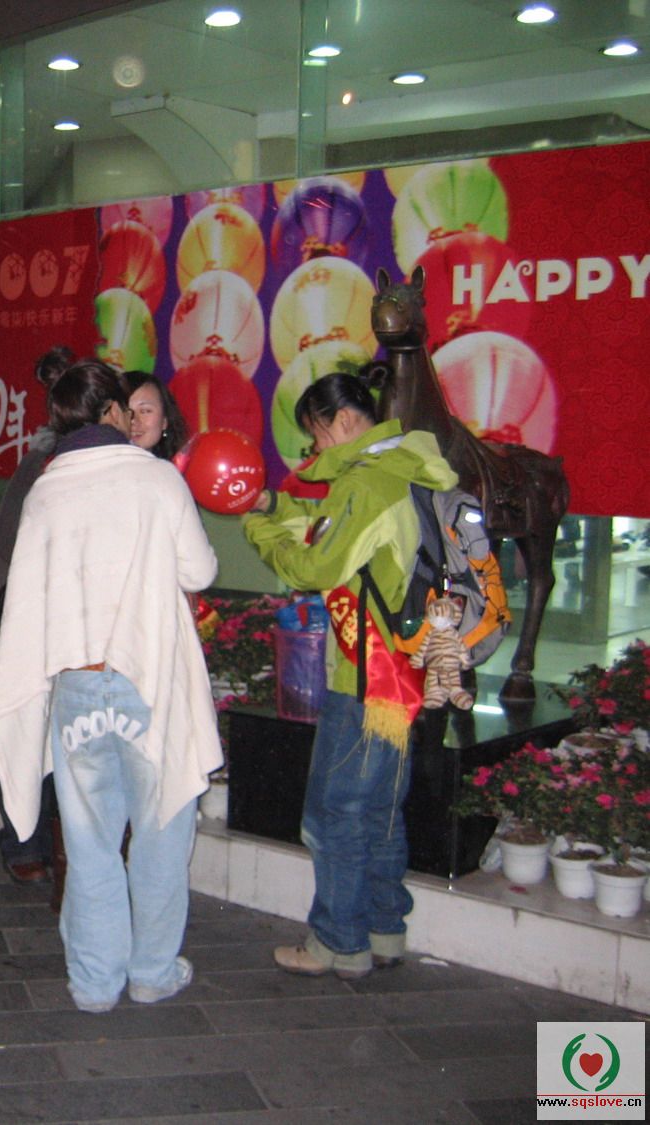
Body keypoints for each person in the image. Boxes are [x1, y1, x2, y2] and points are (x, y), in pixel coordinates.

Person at [0, 359, 222, 1013]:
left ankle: (93, 983)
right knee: (162, 835)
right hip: (149, 683)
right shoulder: (156, 479)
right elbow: (199, 571)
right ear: (112, 411)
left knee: (88, 845)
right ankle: (151, 971)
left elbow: (27, 595)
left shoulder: (47, 489)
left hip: (78, 687)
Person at [242, 371, 457, 980]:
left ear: (339, 421)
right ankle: (385, 930)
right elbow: (335, 533)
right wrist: (278, 506)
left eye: (315, 435)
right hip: (406, 676)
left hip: (364, 679)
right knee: (380, 811)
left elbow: (316, 566)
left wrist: (260, 526)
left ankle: (337, 943)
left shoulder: (366, 482)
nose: (315, 449)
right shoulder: (408, 467)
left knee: (335, 813)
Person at [0, 345, 72, 885]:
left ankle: (46, 843)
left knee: (57, 734)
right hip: (22, 611)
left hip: (63, 619)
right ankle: (25, 842)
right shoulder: (41, 461)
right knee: (24, 727)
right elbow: (4, 538)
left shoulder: (102, 465)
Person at [123, 370, 189, 459]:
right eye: (125, 411)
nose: (133, 420)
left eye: (145, 411)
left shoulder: (176, 466)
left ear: (164, 421)